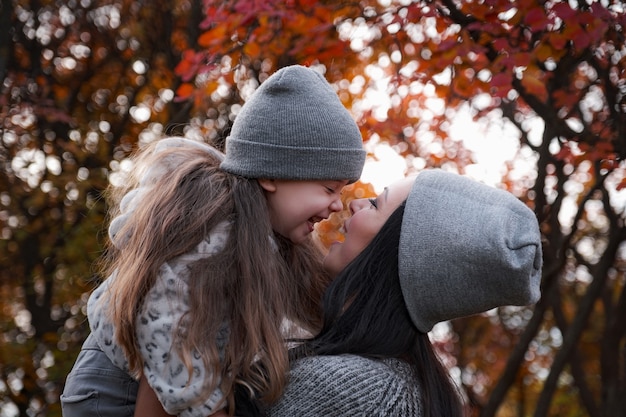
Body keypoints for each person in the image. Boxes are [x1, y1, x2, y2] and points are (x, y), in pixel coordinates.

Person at [60, 65, 366, 417]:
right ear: (270, 174)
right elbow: (168, 335)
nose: (336, 205)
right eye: (329, 188)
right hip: (113, 392)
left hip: (168, 377)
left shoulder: (272, 239)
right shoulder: (209, 233)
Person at [235, 169, 543, 416]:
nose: (354, 203)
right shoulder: (404, 384)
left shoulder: (358, 391)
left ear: (395, 254)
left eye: (375, 204)